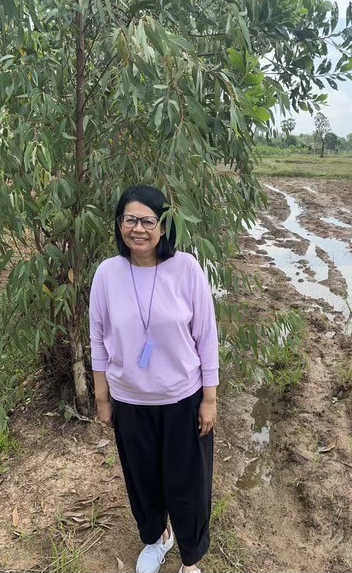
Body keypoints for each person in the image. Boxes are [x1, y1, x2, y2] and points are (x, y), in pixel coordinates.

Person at [91, 185, 220, 573]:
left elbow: (206, 335)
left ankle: (190, 559)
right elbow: (97, 335)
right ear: (119, 225)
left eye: (149, 220)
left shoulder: (186, 269)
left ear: (164, 226)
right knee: (143, 482)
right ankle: (156, 538)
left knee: (189, 487)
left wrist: (210, 398)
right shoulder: (108, 274)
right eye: (130, 219)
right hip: (130, 402)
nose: (139, 228)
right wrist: (102, 397)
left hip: (183, 399)